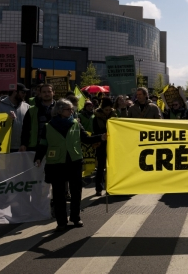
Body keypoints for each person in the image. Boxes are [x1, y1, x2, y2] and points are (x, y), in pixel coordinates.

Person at [34, 98, 105, 231]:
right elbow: (43, 144)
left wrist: (101, 137)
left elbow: (86, 139)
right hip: (56, 163)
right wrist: (38, 158)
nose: (72, 111)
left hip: (74, 161)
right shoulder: (48, 126)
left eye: (72, 109)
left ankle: (75, 217)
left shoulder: (76, 124)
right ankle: (61, 221)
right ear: (60, 110)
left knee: (76, 192)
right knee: (59, 194)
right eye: (69, 109)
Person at [20, 83, 56, 151]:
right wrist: (23, 144)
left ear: (54, 93)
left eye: (49, 91)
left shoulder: (60, 109)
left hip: (55, 146)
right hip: (35, 147)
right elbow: (25, 129)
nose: (46, 94)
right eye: (44, 92)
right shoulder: (32, 110)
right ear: (40, 94)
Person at [93, 97, 116, 196]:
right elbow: (95, 132)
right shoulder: (96, 118)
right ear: (102, 109)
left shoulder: (114, 116)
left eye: (110, 109)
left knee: (111, 167)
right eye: (106, 110)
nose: (108, 112)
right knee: (101, 167)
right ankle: (99, 188)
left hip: (112, 145)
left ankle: (110, 187)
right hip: (101, 144)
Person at [0, 83, 30, 152]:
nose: (24, 94)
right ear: (15, 92)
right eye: (23, 92)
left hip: (22, 147)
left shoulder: (27, 107)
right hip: (3, 146)